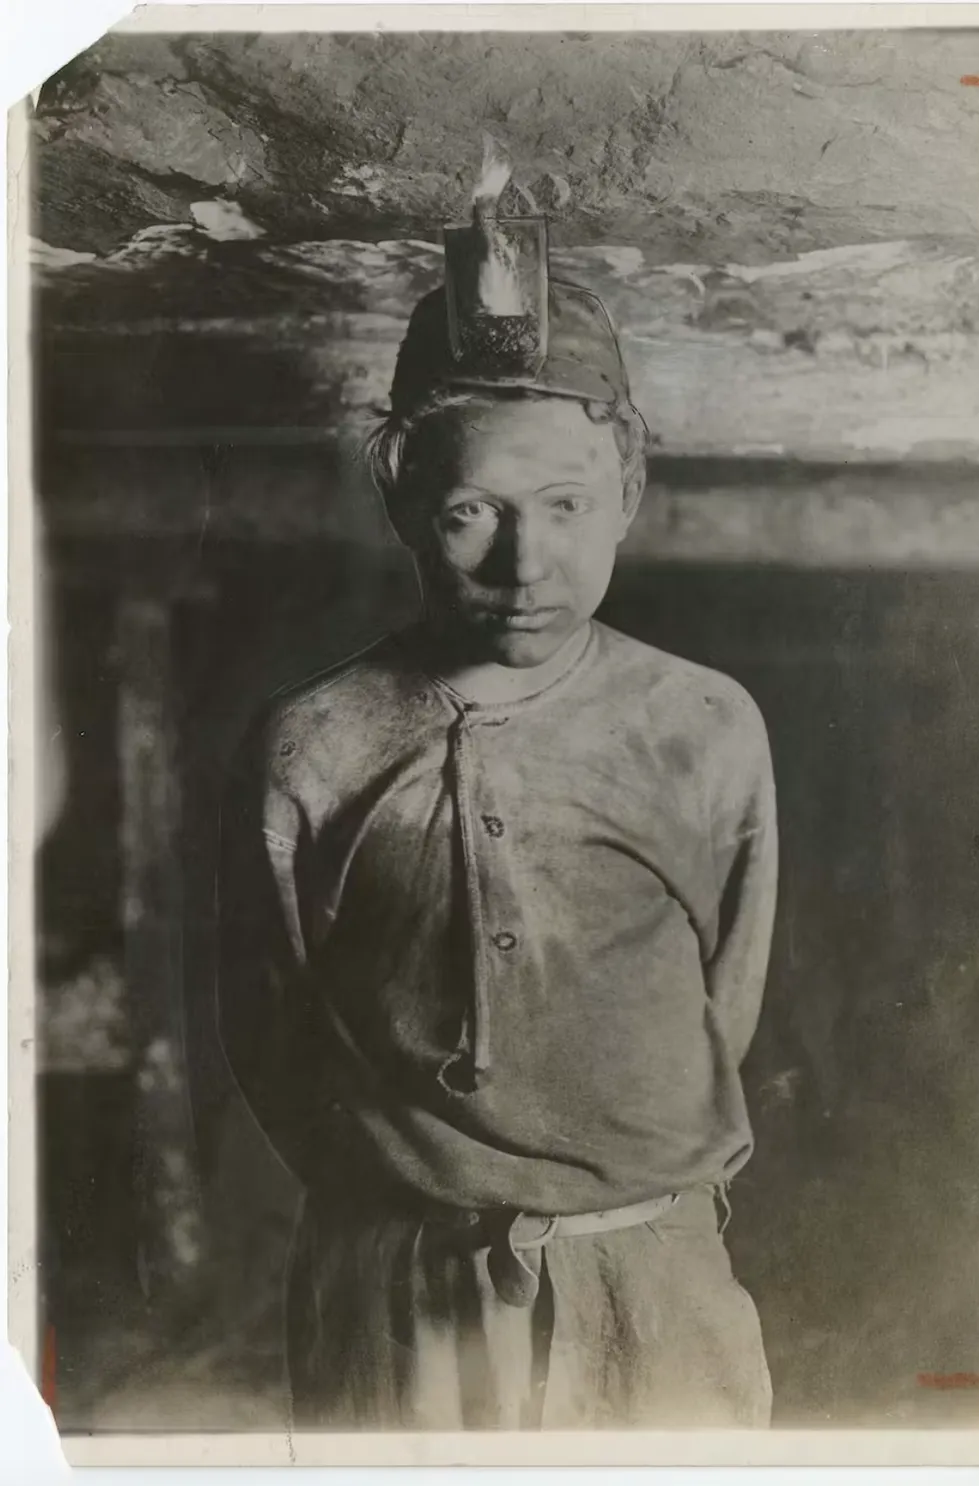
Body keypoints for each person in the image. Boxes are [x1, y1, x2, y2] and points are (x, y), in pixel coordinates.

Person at [216, 230, 778, 1430]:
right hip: (393, 1296)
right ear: (402, 498)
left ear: (628, 488)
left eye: (568, 504)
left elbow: (725, 1004)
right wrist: (414, 1205)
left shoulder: (703, 726)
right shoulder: (310, 743)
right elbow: (270, 1033)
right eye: (473, 509)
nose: (528, 562)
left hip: (650, 1288)